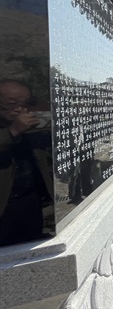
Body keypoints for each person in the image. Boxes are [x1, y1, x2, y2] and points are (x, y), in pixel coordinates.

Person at [0, 79, 53, 246]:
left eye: (25, 103)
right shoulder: (14, 126)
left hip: (30, 198)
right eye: (12, 103)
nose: (20, 109)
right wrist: (13, 130)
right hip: (5, 203)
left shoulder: (30, 123)